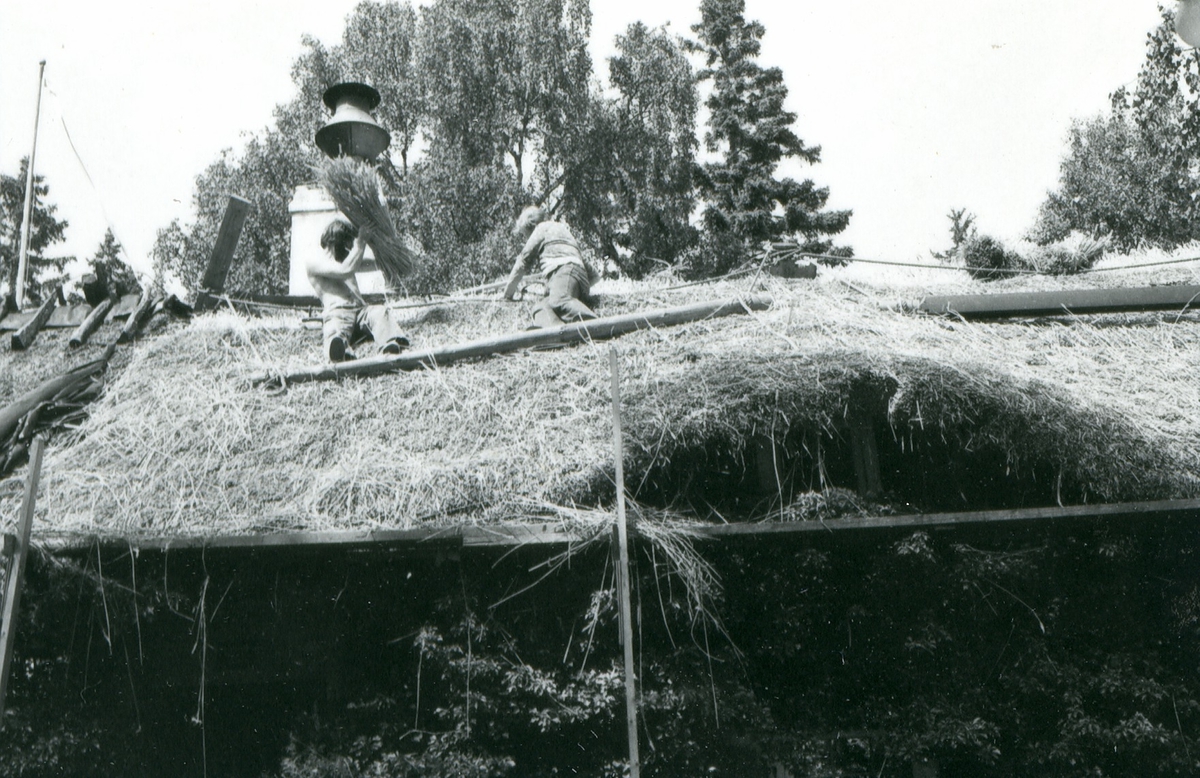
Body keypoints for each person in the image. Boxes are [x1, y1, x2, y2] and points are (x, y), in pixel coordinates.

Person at [307, 218, 410, 362]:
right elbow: (345, 270)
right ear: (335, 243)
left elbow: (375, 263)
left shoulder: (346, 259)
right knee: (335, 330)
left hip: (362, 312)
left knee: (379, 312)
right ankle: (340, 351)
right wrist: (360, 242)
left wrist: (391, 252)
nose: (350, 250)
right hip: (338, 312)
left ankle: (390, 343)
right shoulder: (315, 263)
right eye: (347, 245)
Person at [501, 206, 596, 328]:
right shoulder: (562, 231)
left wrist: (507, 295)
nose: (526, 239)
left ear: (532, 226)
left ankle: (598, 326)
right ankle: (558, 334)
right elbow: (594, 276)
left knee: (559, 299)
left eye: (525, 235)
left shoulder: (541, 228)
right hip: (574, 279)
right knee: (540, 308)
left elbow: (522, 262)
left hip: (564, 271)